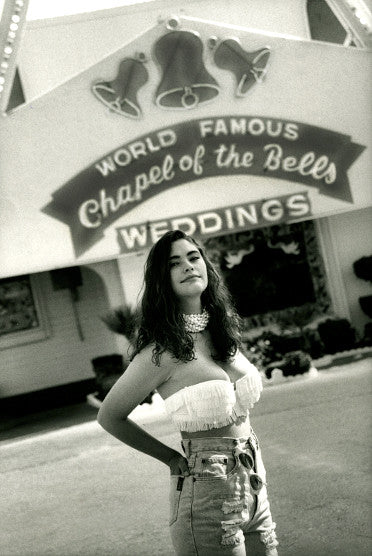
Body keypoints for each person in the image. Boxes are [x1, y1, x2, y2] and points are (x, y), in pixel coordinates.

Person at [97, 230, 278, 555]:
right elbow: (110, 415)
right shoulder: (162, 351)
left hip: (255, 488)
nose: (188, 266)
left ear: (206, 265)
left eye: (194, 258)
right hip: (207, 500)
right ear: (161, 280)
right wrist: (169, 457)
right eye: (174, 263)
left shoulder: (222, 331)